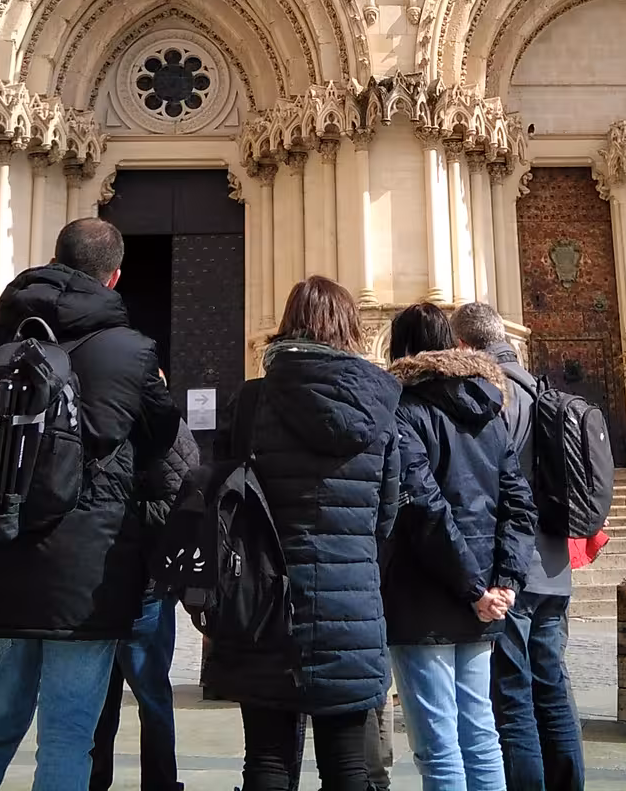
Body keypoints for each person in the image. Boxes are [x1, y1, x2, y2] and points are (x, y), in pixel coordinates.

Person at [0, 217, 181, 791]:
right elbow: (161, 436)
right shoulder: (130, 351)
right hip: (83, 573)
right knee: (68, 739)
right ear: (115, 277)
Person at [203, 276, 402, 791]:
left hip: (264, 605)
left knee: (268, 759)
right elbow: (387, 514)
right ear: (350, 328)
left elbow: (225, 501)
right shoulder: (381, 405)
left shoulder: (253, 401)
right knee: (348, 766)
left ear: (287, 325)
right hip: (350, 605)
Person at [385, 304, 535, 791]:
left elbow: (424, 509)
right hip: (483, 600)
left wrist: (478, 588)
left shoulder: (404, 410)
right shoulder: (488, 408)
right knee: (480, 735)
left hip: (425, 599)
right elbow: (519, 503)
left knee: (440, 748)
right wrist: (504, 583)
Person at [451, 303, 584, 791]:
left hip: (511, 566)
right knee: (553, 688)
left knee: (512, 694)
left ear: (464, 345)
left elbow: (486, 485)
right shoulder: (540, 388)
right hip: (553, 562)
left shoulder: (490, 393)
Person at [88, 413, 198, 791]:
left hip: (144, 587)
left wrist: (115, 515)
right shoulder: (102, 419)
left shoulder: (163, 429)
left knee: (150, 695)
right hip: (99, 586)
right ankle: (94, 779)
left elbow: (179, 507)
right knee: (100, 699)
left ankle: (161, 783)